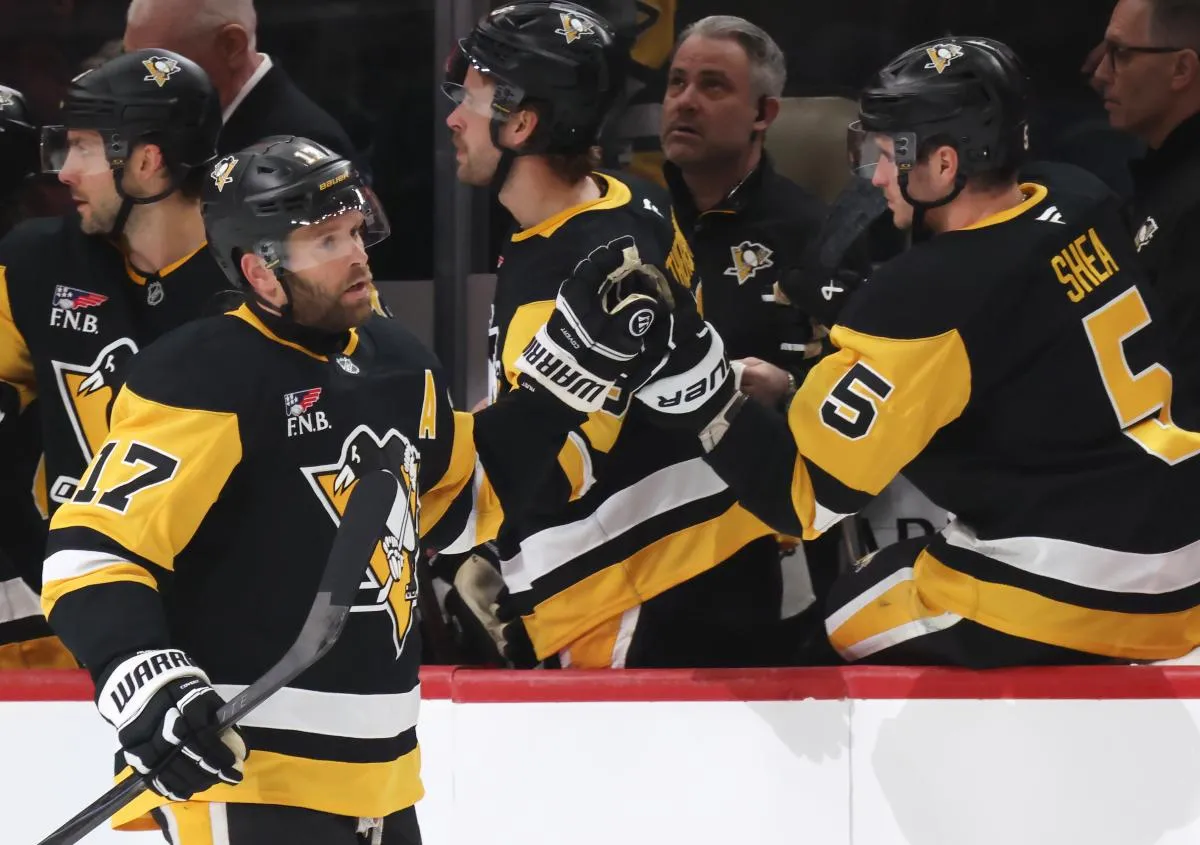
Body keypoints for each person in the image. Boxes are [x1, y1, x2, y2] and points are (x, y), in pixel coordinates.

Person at [543, 35, 1200, 667]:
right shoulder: (1077, 196)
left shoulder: (924, 297)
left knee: (851, 609)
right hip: (1180, 527)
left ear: (945, 164)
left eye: (892, 154)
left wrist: (694, 383)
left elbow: (804, 497)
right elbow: (1017, 333)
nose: (878, 174)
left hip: (1100, 580)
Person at [41, 136, 500, 843]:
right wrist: (142, 679)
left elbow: (453, 512)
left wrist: (561, 406)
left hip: (384, 777)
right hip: (245, 772)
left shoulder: (403, 362)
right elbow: (92, 547)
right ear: (260, 271)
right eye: (324, 242)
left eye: (354, 232)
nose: (356, 255)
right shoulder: (205, 373)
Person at [445, 1, 788, 670]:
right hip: (715, 545)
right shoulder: (628, 197)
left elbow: (554, 467)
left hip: (640, 597)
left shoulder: (565, 277)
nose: (455, 117)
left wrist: (448, 483)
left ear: (522, 122)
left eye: (473, 97)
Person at [0, 50, 226, 658]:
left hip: (220, 632)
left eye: (83, 148)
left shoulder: (258, 285)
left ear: (147, 162)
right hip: (74, 617)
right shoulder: (36, 263)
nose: (64, 172)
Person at [661, 15, 832, 406]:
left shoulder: (814, 232)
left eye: (712, 85)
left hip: (762, 451)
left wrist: (789, 386)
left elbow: (866, 375)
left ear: (763, 114)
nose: (685, 101)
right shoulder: (636, 217)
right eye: (677, 82)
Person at [1092, 0, 1200, 403]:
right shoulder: (1166, 180)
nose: (1102, 74)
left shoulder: (1192, 208)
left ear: (1181, 70)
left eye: (1120, 54)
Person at [123, 0, 358, 161]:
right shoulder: (192, 122)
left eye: (157, 65)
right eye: (131, 62)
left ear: (231, 46)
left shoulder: (304, 146)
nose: (140, 84)